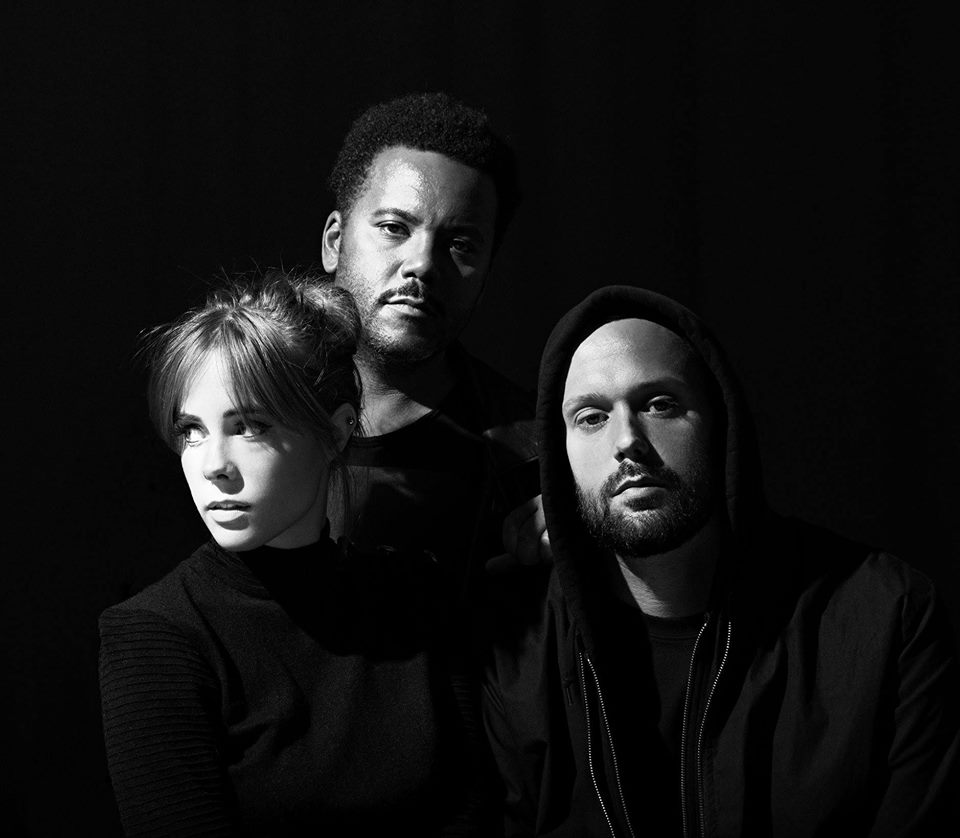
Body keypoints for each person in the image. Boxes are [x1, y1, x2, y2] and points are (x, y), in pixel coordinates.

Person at [482, 285, 960, 836]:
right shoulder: (517, 643)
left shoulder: (885, 618)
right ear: (558, 455)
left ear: (720, 421)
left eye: (660, 404)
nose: (627, 441)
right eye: (591, 417)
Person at [99, 270, 495, 836]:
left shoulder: (414, 595)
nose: (212, 465)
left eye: (249, 426)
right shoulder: (157, 636)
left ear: (336, 434)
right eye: (191, 431)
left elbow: (475, 809)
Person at [319, 91, 544, 597]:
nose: (422, 264)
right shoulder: (247, 412)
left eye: (460, 244)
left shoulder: (531, 461)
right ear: (335, 241)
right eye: (394, 228)